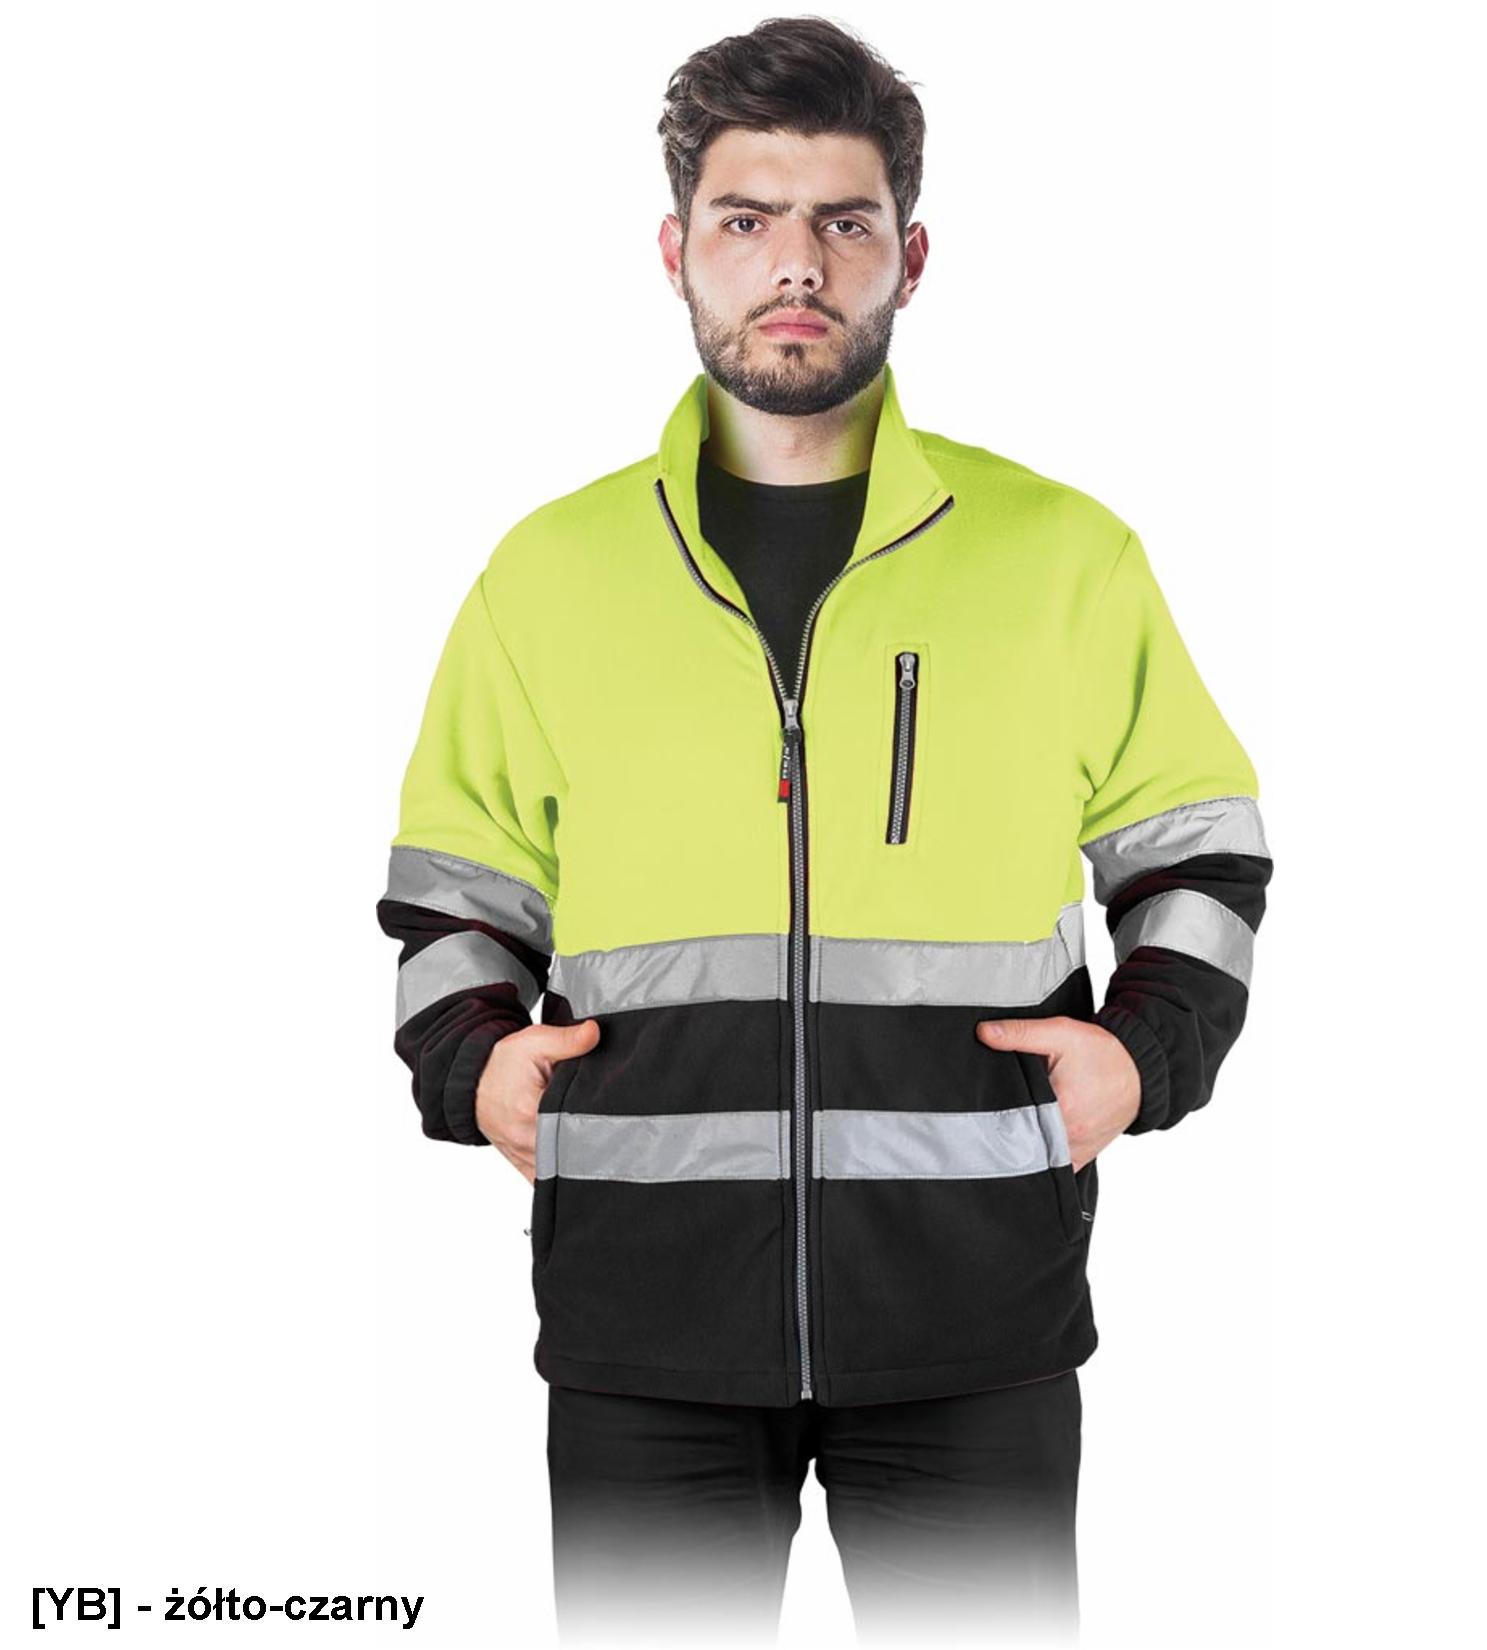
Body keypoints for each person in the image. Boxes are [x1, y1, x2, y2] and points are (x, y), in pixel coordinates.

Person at [376, 17, 1273, 1647]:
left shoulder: (1061, 557)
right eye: (746, 219)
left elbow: (1198, 851)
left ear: (908, 257)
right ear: (675, 251)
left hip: (973, 1306)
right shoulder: (548, 572)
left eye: (842, 222)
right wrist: (469, 1056)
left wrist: (1143, 1056)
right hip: (642, 1312)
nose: (795, 263)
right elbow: (456, 883)